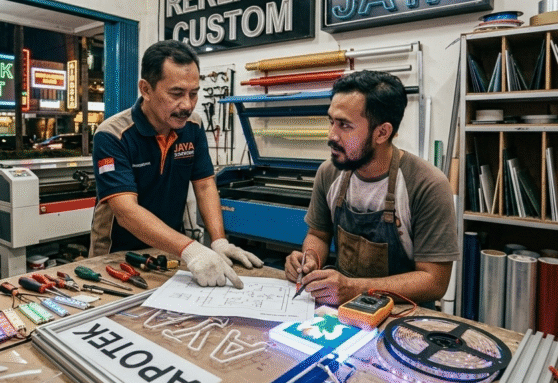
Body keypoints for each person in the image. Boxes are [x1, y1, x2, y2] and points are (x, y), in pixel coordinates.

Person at [89, 40, 263, 288]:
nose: (187, 105)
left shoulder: (192, 126)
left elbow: (204, 185)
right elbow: (126, 212)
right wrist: (191, 249)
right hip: (116, 257)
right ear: (146, 89)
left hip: (170, 250)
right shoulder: (113, 135)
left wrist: (218, 242)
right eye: (176, 94)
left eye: (194, 93)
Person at [285, 70, 459, 308]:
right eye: (331, 121)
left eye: (345, 125)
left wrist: (354, 288)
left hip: (401, 315)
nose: (331, 135)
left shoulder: (427, 185)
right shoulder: (329, 173)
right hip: (340, 308)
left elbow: (434, 281)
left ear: (382, 132)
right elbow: (318, 234)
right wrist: (310, 261)